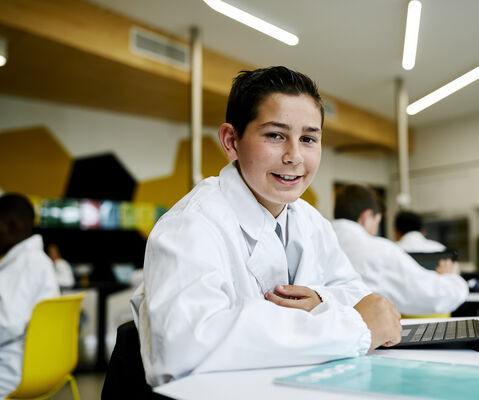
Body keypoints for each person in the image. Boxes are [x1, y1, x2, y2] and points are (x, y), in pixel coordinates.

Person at [130, 66, 402, 387]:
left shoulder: (309, 220)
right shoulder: (189, 226)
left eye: (308, 138)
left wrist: (320, 300)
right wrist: (349, 327)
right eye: (275, 135)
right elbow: (182, 348)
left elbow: (355, 293)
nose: (295, 156)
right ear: (231, 141)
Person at [332, 184, 468, 316]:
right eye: (377, 222)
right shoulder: (379, 251)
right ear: (366, 217)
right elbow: (432, 295)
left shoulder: (320, 241)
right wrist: (452, 277)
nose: (374, 232)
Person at [0, 194, 60, 397]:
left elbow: (6, 324)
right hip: (39, 366)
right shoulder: (36, 260)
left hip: (11, 371)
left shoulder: (25, 264)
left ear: (12, 226)